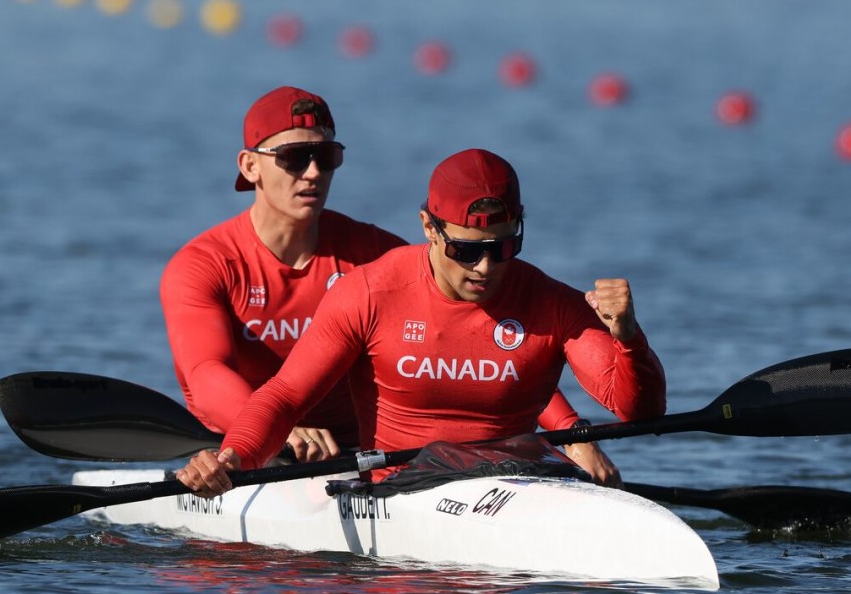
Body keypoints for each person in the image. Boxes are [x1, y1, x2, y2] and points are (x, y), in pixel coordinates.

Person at [161, 87, 609, 473]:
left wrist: (572, 432)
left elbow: (488, 339)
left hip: (359, 454)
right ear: (250, 165)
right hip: (246, 450)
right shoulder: (205, 265)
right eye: (295, 158)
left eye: (327, 157)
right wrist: (280, 432)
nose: (314, 172)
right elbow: (206, 372)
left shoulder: (375, 256)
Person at [176, 147, 666, 497]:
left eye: (503, 247)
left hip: (519, 481)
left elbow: (639, 415)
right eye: (467, 249)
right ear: (429, 228)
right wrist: (231, 460)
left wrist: (629, 339)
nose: (485, 267)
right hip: (402, 489)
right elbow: (285, 397)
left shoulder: (553, 302)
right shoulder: (369, 293)